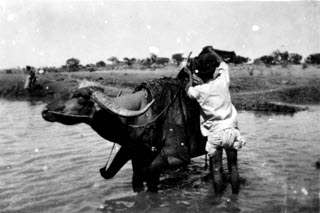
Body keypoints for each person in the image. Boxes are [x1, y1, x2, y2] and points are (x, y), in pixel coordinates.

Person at [184, 47, 246, 195]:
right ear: (214, 72)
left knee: (217, 170)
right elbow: (223, 64)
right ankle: (235, 198)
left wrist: (190, 77)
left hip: (215, 135)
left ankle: (217, 199)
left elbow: (188, 90)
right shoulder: (223, 82)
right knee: (233, 167)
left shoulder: (200, 91)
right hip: (231, 131)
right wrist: (212, 52)